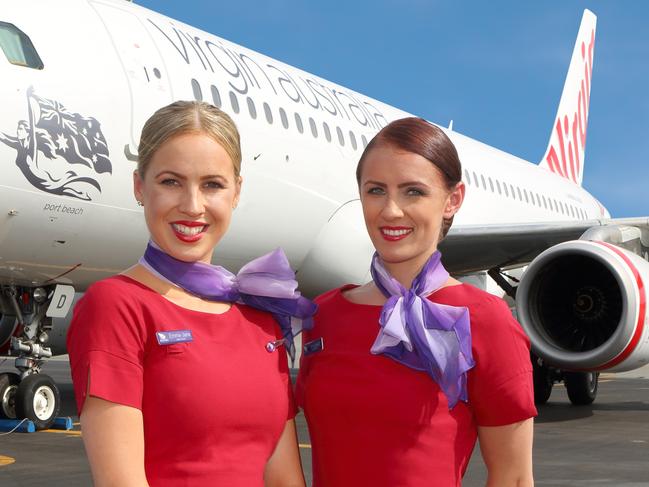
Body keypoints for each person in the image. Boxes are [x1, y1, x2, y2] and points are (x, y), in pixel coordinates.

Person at [67, 101, 311, 487]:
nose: (192, 206)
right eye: (171, 182)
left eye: (212, 184)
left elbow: (284, 478)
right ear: (139, 187)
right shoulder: (117, 305)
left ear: (236, 192)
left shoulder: (261, 318)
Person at [296, 117, 536, 487]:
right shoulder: (324, 315)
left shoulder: (484, 320)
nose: (391, 210)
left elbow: (514, 477)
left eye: (413, 192)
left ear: (452, 200)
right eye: (376, 190)